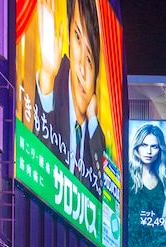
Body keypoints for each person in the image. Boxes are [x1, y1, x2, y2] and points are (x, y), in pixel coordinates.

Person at [32, 0, 107, 198]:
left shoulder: (95, 133)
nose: (81, 66)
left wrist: (92, 120)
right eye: (77, 36)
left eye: (90, 59)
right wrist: (47, 76)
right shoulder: (53, 80)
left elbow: (102, 194)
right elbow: (37, 163)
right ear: (67, 38)